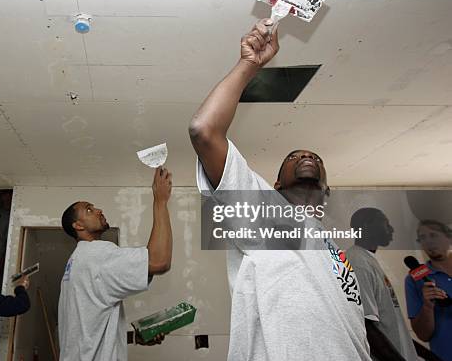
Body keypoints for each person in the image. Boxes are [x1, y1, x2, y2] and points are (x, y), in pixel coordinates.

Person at [188, 18, 370, 360]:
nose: (305, 156)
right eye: (294, 156)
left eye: (312, 156)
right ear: (275, 185)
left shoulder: (334, 250)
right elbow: (204, 130)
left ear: (326, 191)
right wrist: (248, 65)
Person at [58, 167, 173, 361]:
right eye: (89, 209)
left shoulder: (76, 262)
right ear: (78, 226)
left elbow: (90, 328)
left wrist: (135, 337)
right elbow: (158, 261)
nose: (98, 210)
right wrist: (160, 201)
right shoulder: (95, 255)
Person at [346, 208, 419, 360]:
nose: (391, 229)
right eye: (386, 224)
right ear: (367, 225)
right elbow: (367, 327)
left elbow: (389, 326)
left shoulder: (368, 259)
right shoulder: (357, 261)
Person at [405, 220, 452, 361]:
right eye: (423, 238)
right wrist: (427, 306)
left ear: (448, 237)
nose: (428, 242)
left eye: (433, 235)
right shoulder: (414, 280)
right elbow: (423, 335)